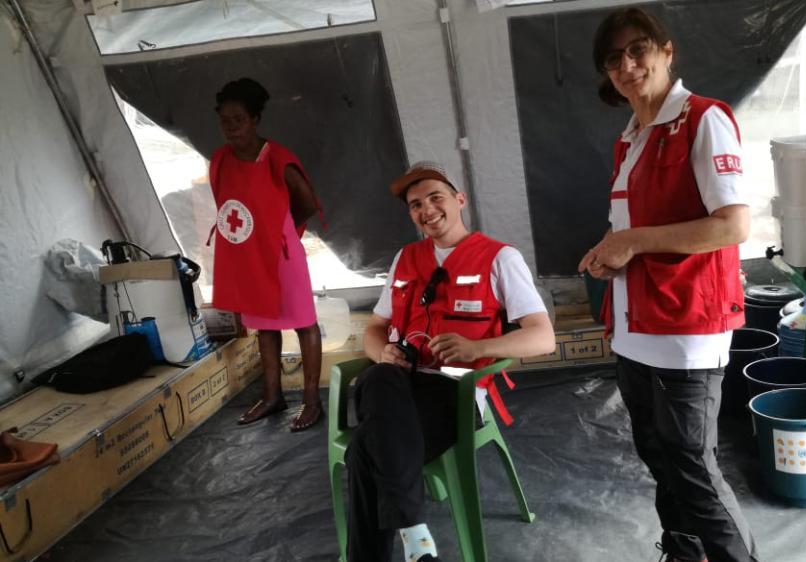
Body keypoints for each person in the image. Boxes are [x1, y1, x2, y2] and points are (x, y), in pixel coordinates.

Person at [579, 8, 759, 562]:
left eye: (638, 50)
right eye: (615, 58)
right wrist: (613, 252)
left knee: (691, 464)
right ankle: (683, 552)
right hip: (635, 325)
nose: (628, 65)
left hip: (687, 326)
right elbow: (636, 231)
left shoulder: (702, 119)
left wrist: (632, 242)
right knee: (658, 452)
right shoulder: (631, 137)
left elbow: (733, 225)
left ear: (666, 51)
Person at [347, 161, 556, 562]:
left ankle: (396, 541)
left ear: (460, 200)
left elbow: (543, 337)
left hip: (454, 392)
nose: (426, 210)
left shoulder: (500, 258)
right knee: (377, 377)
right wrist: (381, 351)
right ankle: (414, 534)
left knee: (363, 448)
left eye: (435, 198)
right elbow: (375, 328)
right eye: (415, 205)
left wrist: (478, 349)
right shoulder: (405, 258)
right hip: (398, 383)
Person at [209, 77, 325, 432]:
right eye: (224, 120)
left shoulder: (278, 159)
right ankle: (272, 395)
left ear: (256, 118)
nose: (231, 128)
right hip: (248, 257)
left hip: (281, 255)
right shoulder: (221, 159)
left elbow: (306, 203)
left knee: (304, 322)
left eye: (238, 120)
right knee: (264, 326)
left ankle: (311, 401)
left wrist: (279, 231)